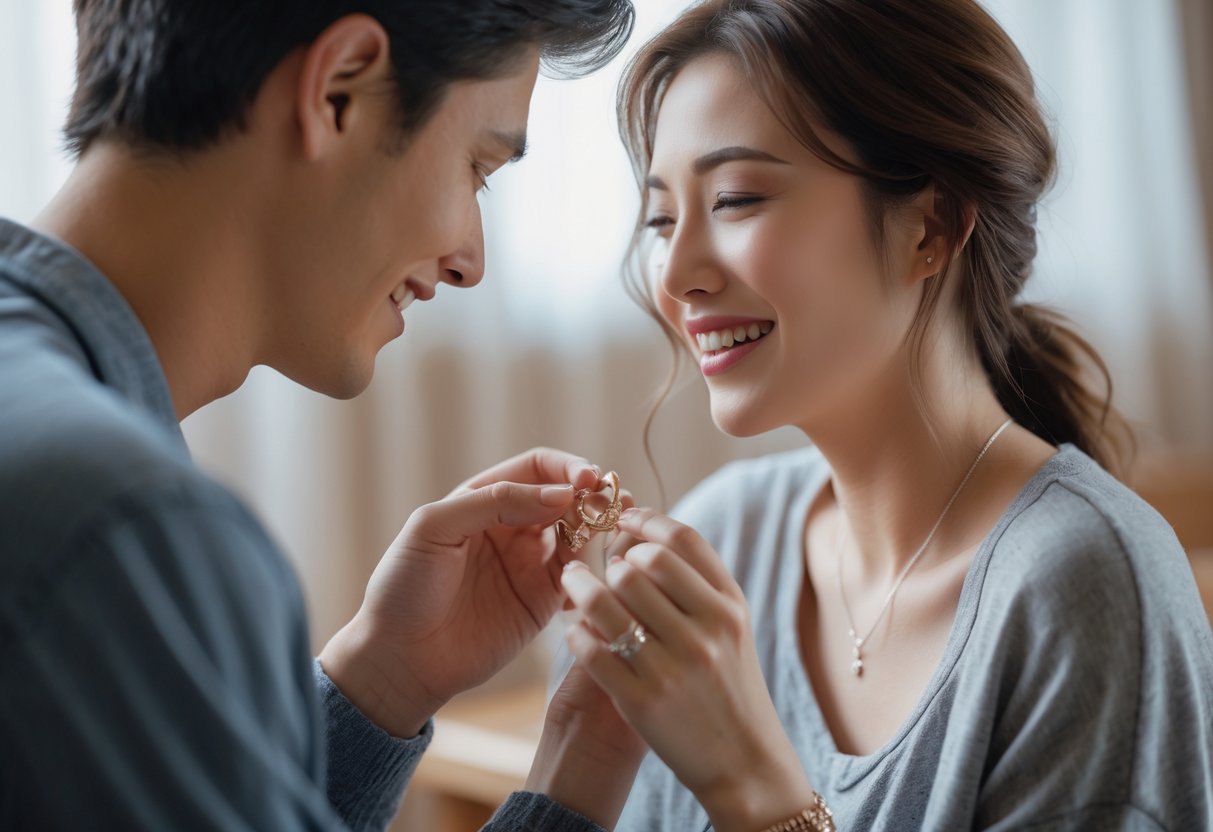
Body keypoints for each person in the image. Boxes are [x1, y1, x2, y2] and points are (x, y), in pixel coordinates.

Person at [555, 0, 1213, 829]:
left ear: (927, 228)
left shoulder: (1083, 591)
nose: (677, 271)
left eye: (735, 199)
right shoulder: (723, 541)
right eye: (659, 217)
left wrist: (757, 795)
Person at [0, 1, 649, 829]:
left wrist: (380, 688)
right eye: (476, 169)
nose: (469, 263)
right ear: (339, 91)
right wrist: (578, 768)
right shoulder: (118, 526)